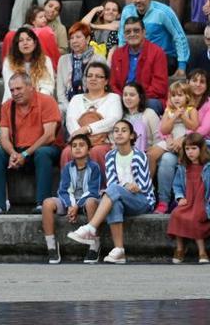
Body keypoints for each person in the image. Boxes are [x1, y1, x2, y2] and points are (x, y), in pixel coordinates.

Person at [67, 120, 155, 264]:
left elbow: (145, 186)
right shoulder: (110, 157)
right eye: (116, 130)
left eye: (124, 130)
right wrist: (123, 187)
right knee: (114, 202)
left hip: (141, 200)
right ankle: (119, 250)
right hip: (120, 197)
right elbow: (112, 183)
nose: (119, 133)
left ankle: (91, 227)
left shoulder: (140, 156)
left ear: (132, 136)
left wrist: (135, 187)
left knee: (113, 191)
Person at [0, 72, 63, 215]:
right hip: (18, 150)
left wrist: (25, 154)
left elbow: (49, 135)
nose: (15, 93)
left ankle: (43, 204)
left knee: (43, 153)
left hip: (44, 149)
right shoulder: (7, 106)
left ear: (30, 87)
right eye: (12, 90)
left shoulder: (47, 101)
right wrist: (13, 153)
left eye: (19, 89)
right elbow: (3, 137)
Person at [41, 134, 102, 264]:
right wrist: (71, 205)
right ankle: (51, 244)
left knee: (91, 202)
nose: (77, 148)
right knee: (47, 203)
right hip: (69, 202)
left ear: (89, 149)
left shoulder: (94, 167)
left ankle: (94, 243)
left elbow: (93, 191)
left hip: (86, 201)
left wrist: (77, 206)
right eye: (74, 146)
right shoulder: (68, 167)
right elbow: (63, 190)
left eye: (81, 145)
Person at [118, 0, 190, 78]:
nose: (138, 0)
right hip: (137, 57)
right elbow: (122, 37)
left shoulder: (163, 11)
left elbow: (179, 36)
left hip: (164, 57)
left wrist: (182, 67)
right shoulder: (127, 11)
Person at [148, 80, 198, 214]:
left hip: (186, 142)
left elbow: (194, 127)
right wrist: (174, 116)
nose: (176, 98)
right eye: (174, 95)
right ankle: (149, 187)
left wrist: (182, 116)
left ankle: (181, 197)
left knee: (183, 160)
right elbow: (163, 130)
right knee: (152, 154)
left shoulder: (191, 109)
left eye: (180, 95)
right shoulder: (168, 111)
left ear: (187, 96)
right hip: (170, 140)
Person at [61, 62, 122, 167]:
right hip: (78, 141)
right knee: (67, 152)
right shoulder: (76, 99)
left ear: (106, 81)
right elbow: (71, 120)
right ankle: (69, 184)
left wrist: (88, 129)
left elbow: (113, 120)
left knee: (96, 152)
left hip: (103, 142)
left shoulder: (113, 98)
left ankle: (101, 184)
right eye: (90, 76)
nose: (93, 79)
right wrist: (81, 139)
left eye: (98, 76)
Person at [110, 17, 169, 115]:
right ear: (124, 35)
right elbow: (113, 84)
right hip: (123, 98)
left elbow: (159, 87)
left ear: (144, 32)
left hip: (148, 98)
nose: (132, 34)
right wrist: (124, 97)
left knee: (152, 104)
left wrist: (137, 98)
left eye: (136, 30)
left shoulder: (157, 52)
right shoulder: (117, 54)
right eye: (128, 32)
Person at [168, 132, 210, 264]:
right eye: (187, 149)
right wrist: (180, 198)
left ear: (201, 149)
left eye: (194, 148)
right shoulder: (183, 167)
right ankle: (180, 248)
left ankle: (202, 251)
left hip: (203, 201)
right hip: (188, 201)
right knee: (176, 214)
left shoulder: (207, 167)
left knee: (196, 216)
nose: (190, 152)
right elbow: (177, 185)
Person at [56, 22, 106, 114]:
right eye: (71, 38)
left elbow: (102, 88)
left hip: (93, 104)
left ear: (87, 39)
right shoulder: (63, 60)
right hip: (68, 105)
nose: (74, 41)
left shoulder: (99, 59)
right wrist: (70, 109)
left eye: (78, 37)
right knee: (57, 110)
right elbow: (60, 92)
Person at [2, 28, 55, 102]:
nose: (25, 43)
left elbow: (47, 87)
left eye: (28, 39)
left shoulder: (45, 61)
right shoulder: (8, 62)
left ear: (35, 43)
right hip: (14, 101)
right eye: (21, 40)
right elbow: (9, 89)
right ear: (17, 45)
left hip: (39, 102)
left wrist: (35, 102)